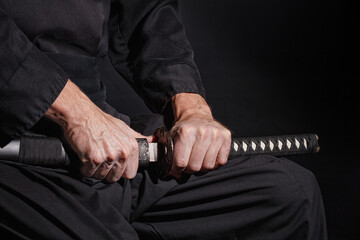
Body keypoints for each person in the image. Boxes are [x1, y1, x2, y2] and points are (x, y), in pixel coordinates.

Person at [0, 1, 327, 239]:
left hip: (107, 131)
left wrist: (190, 107)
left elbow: (146, 10)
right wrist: (74, 112)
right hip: (14, 142)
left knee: (288, 196)